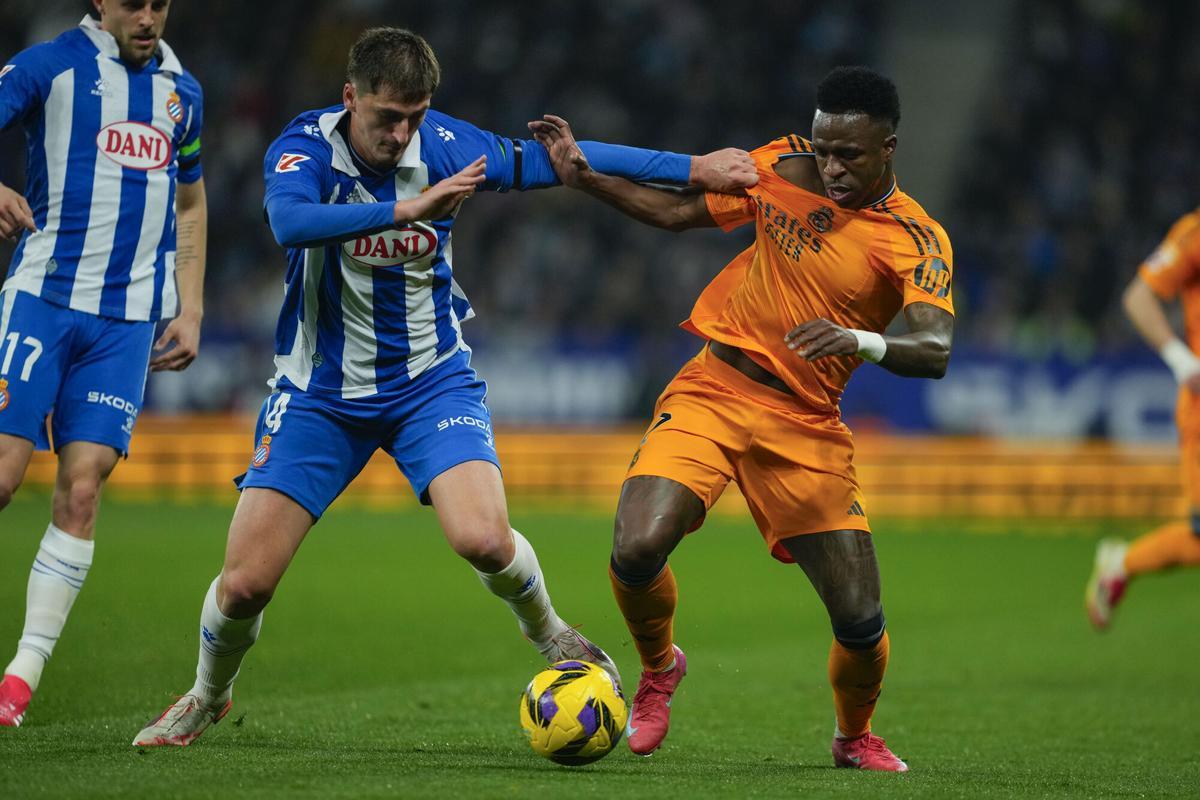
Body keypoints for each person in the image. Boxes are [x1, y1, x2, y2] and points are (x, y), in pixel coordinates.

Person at [131, 26, 754, 747]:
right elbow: (288, 222)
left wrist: (693, 167)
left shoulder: (450, 147)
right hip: (319, 395)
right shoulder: (303, 148)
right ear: (350, 99)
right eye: (386, 117)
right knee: (244, 587)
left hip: (431, 382)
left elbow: (563, 159)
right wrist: (404, 211)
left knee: (484, 538)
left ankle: (550, 632)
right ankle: (209, 694)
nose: (401, 134)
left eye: (415, 116)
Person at [530, 65, 954, 772]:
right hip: (715, 389)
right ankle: (660, 668)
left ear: (889, 148)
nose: (831, 165)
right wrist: (588, 179)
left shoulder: (915, 237)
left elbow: (934, 348)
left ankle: (854, 737)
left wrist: (861, 340)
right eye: (824, 147)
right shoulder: (782, 165)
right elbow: (677, 212)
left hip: (807, 424)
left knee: (857, 617)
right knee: (636, 546)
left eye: (849, 153)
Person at [0, 0, 205, 728]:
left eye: (159, 2)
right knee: (2, 477)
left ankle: (20, 677)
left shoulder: (184, 91)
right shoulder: (50, 66)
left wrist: (191, 304)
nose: (149, 16)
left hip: (126, 324)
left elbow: (189, 198)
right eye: (133, 3)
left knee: (83, 488)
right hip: (44, 301)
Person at [1086, 210, 1200, 630]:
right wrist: (1180, 360)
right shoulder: (1194, 235)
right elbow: (1139, 296)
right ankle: (1124, 563)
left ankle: (1122, 563)